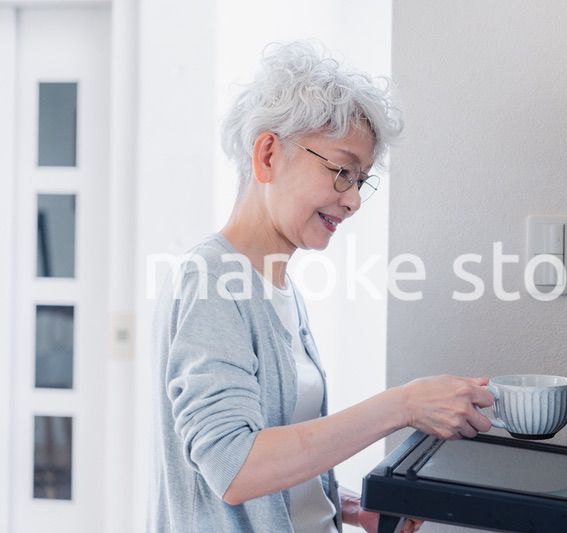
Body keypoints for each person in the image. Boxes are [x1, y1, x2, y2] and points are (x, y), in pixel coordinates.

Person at [148, 42, 494, 533]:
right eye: (340, 171)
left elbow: (280, 455)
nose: (353, 200)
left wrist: (346, 505)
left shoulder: (278, 287)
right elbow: (234, 467)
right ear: (268, 154)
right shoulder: (211, 283)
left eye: (360, 180)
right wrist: (403, 405)